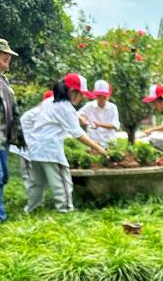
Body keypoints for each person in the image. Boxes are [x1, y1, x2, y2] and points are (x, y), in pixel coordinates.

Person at [25, 73, 106, 213]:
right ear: (72, 91)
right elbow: (78, 133)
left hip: (35, 148)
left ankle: (31, 209)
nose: (81, 98)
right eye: (81, 94)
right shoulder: (66, 108)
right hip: (50, 150)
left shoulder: (49, 101)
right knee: (62, 182)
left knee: (37, 183)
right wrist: (99, 148)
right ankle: (65, 211)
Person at [0, 38, 26, 222]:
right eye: (5, 58)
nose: (8, 64)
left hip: (4, 137)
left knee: (4, 175)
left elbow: (12, 109)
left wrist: (19, 135)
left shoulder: (3, 80)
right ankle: (0, 216)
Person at [15, 89, 53, 204]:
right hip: (27, 150)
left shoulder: (45, 113)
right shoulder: (37, 113)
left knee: (39, 177)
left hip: (37, 150)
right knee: (30, 177)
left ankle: (38, 201)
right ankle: (34, 203)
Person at [80, 80, 120, 147]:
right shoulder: (89, 106)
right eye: (99, 96)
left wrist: (99, 125)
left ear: (108, 96)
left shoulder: (113, 107)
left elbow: (115, 125)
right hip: (93, 143)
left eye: (104, 97)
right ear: (95, 96)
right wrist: (83, 119)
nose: (101, 99)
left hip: (109, 143)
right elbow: (78, 115)